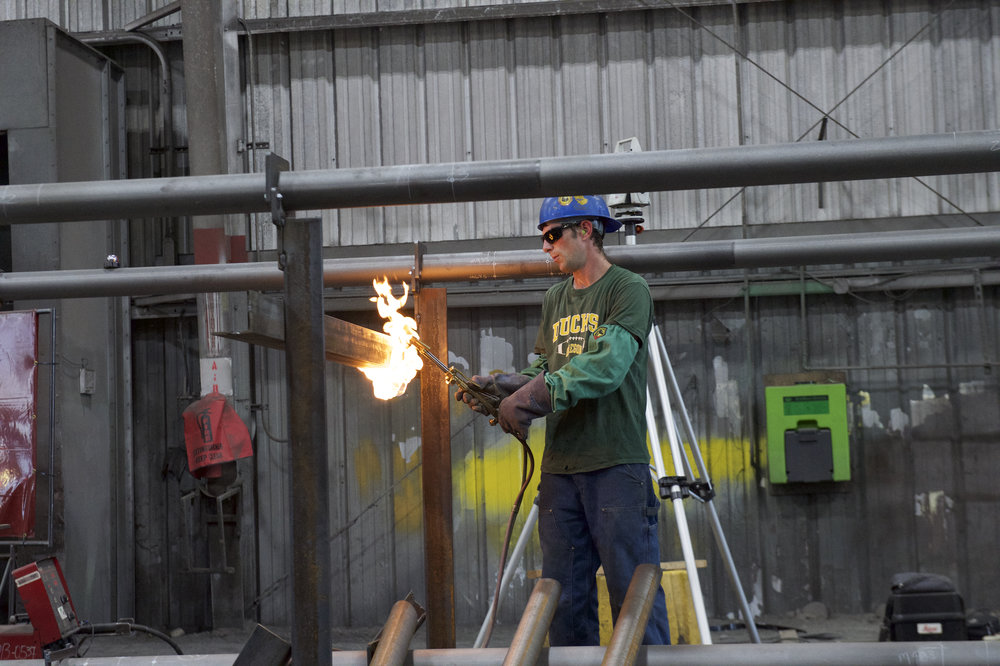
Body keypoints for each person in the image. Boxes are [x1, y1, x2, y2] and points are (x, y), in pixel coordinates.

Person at [456, 194, 671, 646]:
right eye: (543, 239)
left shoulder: (626, 289)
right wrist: (505, 388)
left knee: (633, 602)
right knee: (563, 601)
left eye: (553, 235)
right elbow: (547, 369)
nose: (546, 246)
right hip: (560, 474)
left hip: (615, 467)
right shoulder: (556, 298)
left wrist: (534, 396)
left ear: (586, 231)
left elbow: (604, 365)